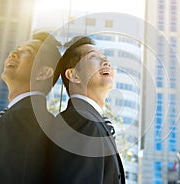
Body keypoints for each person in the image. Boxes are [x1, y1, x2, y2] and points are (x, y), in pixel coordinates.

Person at [0, 32, 61, 184]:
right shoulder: (24, 116)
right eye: (18, 48)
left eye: (27, 51)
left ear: (43, 73)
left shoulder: (26, 119)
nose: (13, 53)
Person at [45, 36, 126, 184]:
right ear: (74, 75)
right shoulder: (80, 121)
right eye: (94, 57)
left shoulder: (89, 120)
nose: (106, 62)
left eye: (105, 57)